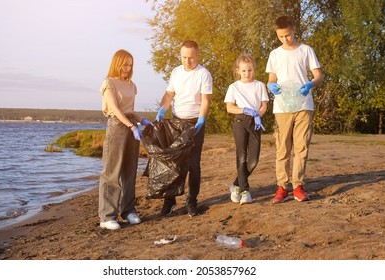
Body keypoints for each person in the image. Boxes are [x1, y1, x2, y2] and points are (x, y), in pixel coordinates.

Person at [265, 16, 323, 203]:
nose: (285, 39)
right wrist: (270, 86)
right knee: (282, 149)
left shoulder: (306, 50)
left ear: (293, 29)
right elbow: (272, 79)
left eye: (288, 35)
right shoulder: (274, 54)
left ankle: (298, 186)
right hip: (282, 107)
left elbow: (318, 76)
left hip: (304, 105)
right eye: (281, 37)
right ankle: (282, 187)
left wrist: (310, 84)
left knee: (301, 147)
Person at [155, 40, 213, 217]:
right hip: (177, 122)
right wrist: (162, 109)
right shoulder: (176, 72)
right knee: (174, 163)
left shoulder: (204, 74)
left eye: (191, 58)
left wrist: (201, 119)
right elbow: (169, 94)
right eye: (184, 57)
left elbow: (205, 100)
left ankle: (191, 201)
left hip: (195, 123)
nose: (188, 61)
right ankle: (169, 201)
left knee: (193, 165)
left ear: (198, 55)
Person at [98, 49, 153, 230]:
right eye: (125, 64)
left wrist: (141, 120)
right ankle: (107, 216)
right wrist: (131, 126)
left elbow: (129, 109)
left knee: (129, 172)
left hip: (131, 126)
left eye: (130, 65)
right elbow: (115, 109)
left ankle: (128, 210)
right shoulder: (109, 84)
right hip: (117, 127)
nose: (127, 68)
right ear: (117, 63)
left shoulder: (131, 85)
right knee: (112, 172)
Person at [224, 53, 269, 205]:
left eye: (249, 70)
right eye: (244, 71)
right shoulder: (234, 87)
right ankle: (245, 191)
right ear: (238, 70)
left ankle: (236, 184)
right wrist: (244, 110)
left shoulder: (260, 85)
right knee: (241, 157)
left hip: (255, 122)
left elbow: (264, 105)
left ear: (254, 70)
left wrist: (258, 114)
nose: (247, 73)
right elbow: (230, 108)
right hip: (240, 121)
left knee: (253, 160)